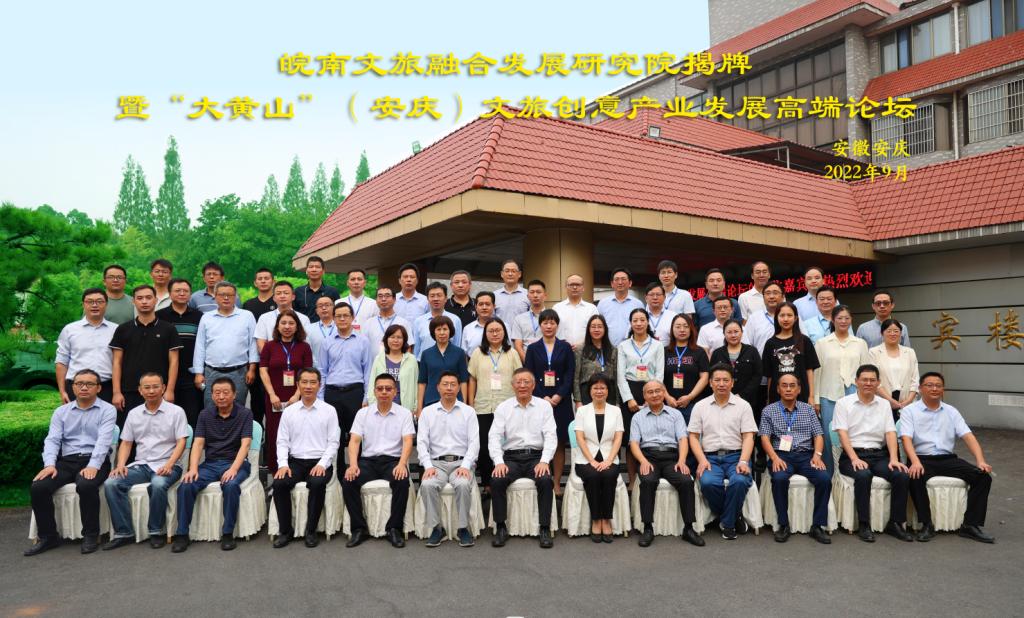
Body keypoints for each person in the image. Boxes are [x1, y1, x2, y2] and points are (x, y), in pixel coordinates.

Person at [24, 369, 116, 556]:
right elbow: (52, 440)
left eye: (89, 384)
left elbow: (104, 441)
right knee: (39, 487)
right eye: (79, 383)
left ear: (98, 388)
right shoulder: (61, 412)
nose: (84, 387)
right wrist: (49, 464)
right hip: (67, 461)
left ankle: (91, 535)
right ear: (73, 387)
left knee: (86, 485)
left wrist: (93, 465)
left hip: (95, 460)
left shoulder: (107, 410)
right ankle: (48, 537)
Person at [900, 372, 995, 543]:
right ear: (920, 388)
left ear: (943, 389)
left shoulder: (951, 411)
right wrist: (914, 461)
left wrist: (980, 460)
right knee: (915, 476)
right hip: (921, 458)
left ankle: (970, 525)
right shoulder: (909, 411)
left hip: (948, 459)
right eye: (929, 385)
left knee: (983, 477)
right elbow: (906, 439)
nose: (934, 388)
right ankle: (926, 524)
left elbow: (968, 436)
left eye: (938, 385)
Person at [102, 372, 188, 550]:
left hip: (169, 464)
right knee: (112, 483)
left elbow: (181, 442)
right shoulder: (134, 414)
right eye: (147, 387)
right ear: (140, 390)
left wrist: (169, 464)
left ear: (163, 388)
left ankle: (156, 531)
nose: (151, 391)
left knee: (158, 484)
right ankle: (124, 532)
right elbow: (126, 443)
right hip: (141, 465)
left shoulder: (176, 411)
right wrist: (120, 465)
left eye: (155, 387)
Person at [832, 364, 913, 543]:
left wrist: (894, 459)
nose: (868, 383)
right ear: (856, 382)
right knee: (863, 475)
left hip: (879, 455)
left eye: (872, 380)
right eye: (864, 380)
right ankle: (864, 524)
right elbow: (842, 434)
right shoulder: (843, 403)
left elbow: (890, 433)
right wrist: (854, 458)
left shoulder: (884, 404)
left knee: (901, 475)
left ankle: (895, 523)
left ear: (878, 383)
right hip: (852, 455)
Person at [172, 378, 253, 553]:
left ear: (234, 394)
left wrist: (233, 469)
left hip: (236, 463)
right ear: (212, 395)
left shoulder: (245, 414)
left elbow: (245, 444)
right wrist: (193, 468)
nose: (221, 396)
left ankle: (228, 533)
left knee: (231, 485)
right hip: (210, 464)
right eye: (217, 393)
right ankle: (182, 534)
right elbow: (198, 443)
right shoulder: (205, 414)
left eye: (225, 392)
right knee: (186, 485)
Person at [342, 373, 415, 548]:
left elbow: (408, 441)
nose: (384, 392)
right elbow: (354, 440)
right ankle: (359, 529)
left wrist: (402, 464)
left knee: (402, 480)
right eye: (380, 388)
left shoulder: (404, 413)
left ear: (395, 392)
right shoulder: (363, 413)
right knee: (349, 480)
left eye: (388, 389)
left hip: (393, 461)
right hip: (368, 461)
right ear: (374, 391)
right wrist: (353, 465)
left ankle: (394, 529)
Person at [271, 367, 340, 549]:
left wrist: (322, 464)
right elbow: (282, 441)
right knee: (279, 483)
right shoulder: (289, 411)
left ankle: (311, 531)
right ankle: (285, 531)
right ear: (298, 385)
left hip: (320, 461)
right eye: (304, 382)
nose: (308, 386)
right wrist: (283, 465)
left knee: (317, 483)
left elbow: (333, 442)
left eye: (313, 382)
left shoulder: (329, 411)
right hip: (295, 462)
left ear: (319, 385)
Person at [488, 369, 558, 548]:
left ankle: (544, 527)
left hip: (536, 457)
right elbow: (494, 437)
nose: (522, 385)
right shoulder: (503, 407)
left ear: (533, 385)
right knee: (497, 480)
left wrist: (545, 461)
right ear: (512, 385)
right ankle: (501, 526)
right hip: (511, 458)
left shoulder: (544, 406)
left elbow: (551, 436)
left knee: (545, 480)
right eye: (518, 382)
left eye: (526, 382)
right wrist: (499, 462)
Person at [759, 374, 831, 544]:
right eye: (784, 385)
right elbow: (764, 438)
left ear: (799, 389)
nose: (788, 389)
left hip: (806, 456)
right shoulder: (769, 410)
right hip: (781, 455)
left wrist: (817, 455)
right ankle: (783, 524)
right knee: (779, 479)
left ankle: (817, 526)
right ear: (778, 389)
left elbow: (818, 435)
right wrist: (774, 458)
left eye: (792, 386)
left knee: (824, 479)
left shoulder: (808, 410)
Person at [630, 380, 704, 548]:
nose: (655, 395)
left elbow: (683, 439)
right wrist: (642, 461)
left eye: (658, 391)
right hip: (649, 456)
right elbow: (634, 443)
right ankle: (647, 528)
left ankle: (688, 528)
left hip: (672, 458)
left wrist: (682, 461)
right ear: (644, 396)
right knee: (648, 481)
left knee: (686, 481)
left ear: (664, 393)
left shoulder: (675, 414)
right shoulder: (638, 417)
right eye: (650, 392)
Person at [688, 364, 756, 540]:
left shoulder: (743, 406)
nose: (721, 384)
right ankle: (734, 516)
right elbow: (693, 437)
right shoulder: (700, 406)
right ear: (710, 383)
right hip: (710, 458)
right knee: (708, 483)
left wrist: (743, 461)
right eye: (717, 380)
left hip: (736, 456)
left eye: (726, 380)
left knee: (740, 481)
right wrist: (702, 460)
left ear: (732, 383)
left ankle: (727, 524)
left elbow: (748, 436)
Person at [418, 371, 480, 548]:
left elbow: (474, 442)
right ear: (438, 387)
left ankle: (463, 528)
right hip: (436, 464)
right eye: (445, 384)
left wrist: (466, 465)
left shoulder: (468, 412)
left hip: (461, 463)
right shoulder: (428, 412)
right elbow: (421, 442)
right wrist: (428, 466)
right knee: (427, 484)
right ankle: (437, 528)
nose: (449, 388)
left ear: (459, 387)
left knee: (462, 483)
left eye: (453, 384)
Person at [110, 285, 182, 426]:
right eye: (140, 298)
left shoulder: (168, 328)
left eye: (148, 298)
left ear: (155, 300)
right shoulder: (123, 329)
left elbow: (174, 361)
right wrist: (116, 392)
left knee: (161, 431)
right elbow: (116, 362)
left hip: (159, 391)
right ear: (133, 301)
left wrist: (169, 390)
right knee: (129, 432)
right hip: (129, 390)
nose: (144, 301)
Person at [466, 317, 521, 494]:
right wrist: (470, 404)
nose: (495, 334)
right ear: (485, 334)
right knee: (483, 446)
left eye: (498, 330)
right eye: (491, 331)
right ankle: (487, 484)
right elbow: (472, 379)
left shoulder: (512, 353)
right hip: (483, 406)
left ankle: (504, 479)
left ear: (504, 332)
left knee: (505, 444)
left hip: (507, 406)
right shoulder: (477, 353)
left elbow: (519, 378)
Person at [813, 305, 870, 476]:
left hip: (854, 393)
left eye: (847, 318)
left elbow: (866, 371)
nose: (843, 321)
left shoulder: (860, 343)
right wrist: (816, 399)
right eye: (839, 318)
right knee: (830, 435)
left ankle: (853, 471)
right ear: (833, 320)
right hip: (828, 394)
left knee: (854, 433)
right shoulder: (822, 343)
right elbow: (817, 372)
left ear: (851, 320)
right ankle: (830, 475)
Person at [523, 309, 575, 495]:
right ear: (540, 325)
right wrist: (542, 396)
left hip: (560, 401)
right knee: (541, 441)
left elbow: (570, 374)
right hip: (539, 400)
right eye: (545, 322)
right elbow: (529, 375)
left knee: (559, 442)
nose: (549, 326)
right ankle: (542, 480)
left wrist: (559, 395)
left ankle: (557, 483)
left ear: (557, 325)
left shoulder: (565, 347)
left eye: (552, 322)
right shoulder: (533, 348)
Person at [259, 310, 314, 472]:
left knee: (298, 432)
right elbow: (263, 370)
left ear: (297, 326)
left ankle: (297, 470)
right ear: (277, 326)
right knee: (275, 433)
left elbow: (307, 373)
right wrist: (271, 394)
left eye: (291, 323)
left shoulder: (304, 347)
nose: (287, 327)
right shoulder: (269, 346)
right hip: (274, 397)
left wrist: (297, 395)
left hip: (298, 397)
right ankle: (276, 472)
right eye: (283, 323)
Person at [573, 374, 624, 543]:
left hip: (610, 456)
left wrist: (609, 460)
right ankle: (596, 520)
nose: (599, 391)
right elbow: (580, 438)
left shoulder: (616, 411)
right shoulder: (582, 411)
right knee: (593, 475)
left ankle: (606, 520)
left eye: (603, 388)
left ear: (608, 391)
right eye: (595, 388)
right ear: (590, 391)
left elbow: (618, 438)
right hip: (585, 458)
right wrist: (592, 461)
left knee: (608, 475)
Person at [192, 281, 258, 410]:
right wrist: (198, 373)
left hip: (239, 372)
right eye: (222, 295)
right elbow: (200, 346)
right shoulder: (206, 317)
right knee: (211, 409)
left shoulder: (246, 316)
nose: (226, 298)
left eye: (230, 295)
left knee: (237, 408)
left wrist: (252, 369)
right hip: (212, 372)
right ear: (215, 297)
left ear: (236, 297)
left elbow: (253, 344)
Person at [616, 308, 664, 485]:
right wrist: (629, 399)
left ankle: (649, 476)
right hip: (630, 390)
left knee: (649, 435)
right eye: (635, 320)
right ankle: (632, 481)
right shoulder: (623, 346)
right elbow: (620, 375)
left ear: (647, 322)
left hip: (652, 390)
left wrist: (653, 396)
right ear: (630, 323)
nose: (638, 323)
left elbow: (659, 373)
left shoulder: (657, 345)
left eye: (642, 320)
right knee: (631, 439)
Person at [317, 302, 374, 443]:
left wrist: (366, 397)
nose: (342, 319)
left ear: (352, 317)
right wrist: (320, 397)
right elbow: (322, 371)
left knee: (357, 434)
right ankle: (338, 459)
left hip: (355, 392)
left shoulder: (363, 341)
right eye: (338, 316)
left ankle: (356, 459)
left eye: (346, 315)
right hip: (332, 392)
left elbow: (368, 371)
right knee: (334, 435)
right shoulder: (326, 342)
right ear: (333, 318)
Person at [56, 288, 116, 405]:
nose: (95, 305)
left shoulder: (116, 330)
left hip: (107, 387)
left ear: (106, 304)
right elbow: (61, 362)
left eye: (99, 301)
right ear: (83, 304)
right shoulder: (70, 329)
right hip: (76, 387)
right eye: (90, 301)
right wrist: (62, 391)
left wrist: (117, 392)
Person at [156, 278, 204, 427]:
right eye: (177, 291)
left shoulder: (199, 316)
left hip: (191, 374)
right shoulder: (159, 316)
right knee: (165, 418)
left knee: (192, 416)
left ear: (190, 294)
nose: (182, 293)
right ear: (170, 294)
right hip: (165, 373)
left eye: (185, 291)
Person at [762, 302, 819, 405]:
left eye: (789, 315)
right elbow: (770, 376)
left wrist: (811, 396)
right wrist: (769, 399)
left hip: (801, 396)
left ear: (796, 318)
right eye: (782, 315)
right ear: (776, 318)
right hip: (777, 397)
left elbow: (809, 371)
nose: (786, 319)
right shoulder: (770, 343)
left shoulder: (804, 341)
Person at [868, 318, 920, 419]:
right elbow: (874, 380)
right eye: (889, 331)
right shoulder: (874, 352)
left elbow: (915, 379)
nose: (893, 334)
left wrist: (908, 401)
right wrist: (890, 401)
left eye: (896, 331)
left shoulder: (910, 352)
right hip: (882, 402)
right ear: (882, 333)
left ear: (901, 333)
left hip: (907, 403)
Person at [416, 315, 469, 414]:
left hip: (455, 401)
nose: (442, 333)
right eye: (438, 329)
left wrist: (464, 404)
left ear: (450, 331)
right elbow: (422, 382)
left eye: (445, 329)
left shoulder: (459, 353)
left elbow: (463, 381)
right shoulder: (426, 354)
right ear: (433, 332)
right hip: (431, 400)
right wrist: (419, 408)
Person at [709, 320, 763, 411]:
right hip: (722, 400)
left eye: (736, 332)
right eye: (729, 332)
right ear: (724, 333)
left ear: (742, 332)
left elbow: (758, 375)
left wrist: (742, 395)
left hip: (748, 400)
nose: (733, 335)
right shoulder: (717, 353)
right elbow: (712, 376)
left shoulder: (752, 351)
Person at [664, 314, 708, 422]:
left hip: (693, 404)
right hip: (669, 404)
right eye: (678, 326)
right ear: (672, 329)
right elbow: (658, 378)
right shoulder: (664, 351)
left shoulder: (699, 351)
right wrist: (667, 397)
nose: (682, 330)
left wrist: (690, 397)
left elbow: (705, 377)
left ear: (691, 329)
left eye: (686, 326)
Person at [369, 324, 418, 411]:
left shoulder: (411, 359)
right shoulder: (379, 359)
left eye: (399, 337)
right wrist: (372, 404)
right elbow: (372, 383)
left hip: (405, 408)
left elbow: (415, 384)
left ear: (404, 340)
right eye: (392, 337)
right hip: (381, 407)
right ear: (386, 339)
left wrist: (415, 407)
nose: (395, 340)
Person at [255, 281, 313, 353]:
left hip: (296, 358)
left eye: (286, 293)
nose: (282, 296)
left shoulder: (303, 319)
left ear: (293, 297)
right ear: (274, 298)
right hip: (271, 358)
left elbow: (306, 343)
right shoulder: (264, 318)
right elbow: (260, 342)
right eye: (278, 293)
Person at [574, 314, 618, 407]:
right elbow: (576, 377)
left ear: (605, 329)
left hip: (609, 393)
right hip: (587, 393)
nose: (596, 330)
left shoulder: (613, 350)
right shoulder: (580, 350)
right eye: (593, 327)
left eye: (600, 327)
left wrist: (617, 402)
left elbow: (617, 377)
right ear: (588, 329)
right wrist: (578, 400)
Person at [412, 282, 463, 360]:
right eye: (432, 296)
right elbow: (416, 349)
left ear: (445, 298)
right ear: (427, 299)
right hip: (423, 363)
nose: (436, 299)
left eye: (439, 295)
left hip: (448, 363)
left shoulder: (455, 320)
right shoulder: (419, 321)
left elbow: (457, 345)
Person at [362, 285, 412, 360]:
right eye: (380, 296)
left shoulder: (403, 323)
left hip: (397, 366)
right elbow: (363, 347)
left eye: (387, 296)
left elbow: (408, 348)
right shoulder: (368, 323)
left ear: (394, 299)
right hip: (373, 366)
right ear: (376, 300)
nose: (383, 299)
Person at [598, 267, 644, 345]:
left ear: (630, 283)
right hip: (607, 347)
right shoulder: (603, 303)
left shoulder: (638, 304)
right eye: (616, 279)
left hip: (631, 347)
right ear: (612, 284)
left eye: (623, 279)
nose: (620, 282)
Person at [553, 274, 599, 348]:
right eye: (571, 285)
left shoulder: (592, 308)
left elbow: (596, 330)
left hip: (586, 350)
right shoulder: (557, 308)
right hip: (561, 349)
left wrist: (582, 345)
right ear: (566, 288)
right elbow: (552, 330)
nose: (574, 287)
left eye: (578, 284)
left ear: (583, 288)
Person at [741, 280, 785, 356]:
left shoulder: (791, 315)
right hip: (761, 361)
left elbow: (802, 338)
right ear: (763, 297)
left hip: (788, 361)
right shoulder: (754, 318)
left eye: (775, 293)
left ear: (783, 297)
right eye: (768, 293)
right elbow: (746, 344)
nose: (771, 296)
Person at [294, 256, 340, 322]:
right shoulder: (298, 292)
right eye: (311, 267)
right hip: (303, 328)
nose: (314, 269)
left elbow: (338, 312)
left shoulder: (332, 291)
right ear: (306, 271)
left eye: (317, 267)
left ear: (323, 271)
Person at [511, 279, 547, 361]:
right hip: (526, 361)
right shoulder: (519, 319)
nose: (535, 295)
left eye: (538, 292)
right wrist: (527, 362)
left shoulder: (553, 318)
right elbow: (518, 345)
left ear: (545, 296)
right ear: (527, 296)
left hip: (548, 361)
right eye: (532, 292)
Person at [494, 258, 529, 324]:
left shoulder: (527, 294)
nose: (510, 274)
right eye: (507, 271)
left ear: (519, 274)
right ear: (502, 274)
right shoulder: (494, 295)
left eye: (513, 271)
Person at [305, 296, 338, 365]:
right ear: (317, 311)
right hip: (316, 368)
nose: (324, 308)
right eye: (320, 306)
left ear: (334, 308)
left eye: (327, 305)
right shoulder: (308, 329)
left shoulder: (340, 327)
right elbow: (307, 351)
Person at [461, 290, 495, 355]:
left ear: (494, 306)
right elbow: (464, 354)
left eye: (487, 304)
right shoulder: (468, 329)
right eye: (481, 304)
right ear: (476, 307)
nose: (484, 307)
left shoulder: (504, 326)